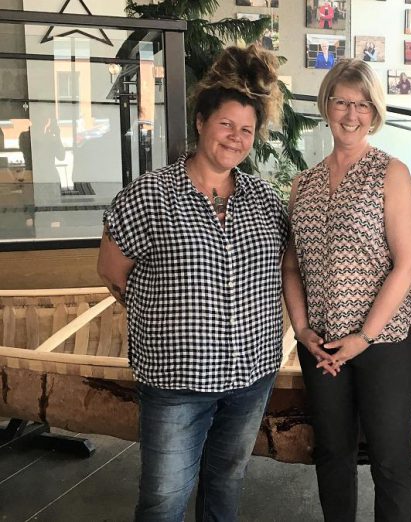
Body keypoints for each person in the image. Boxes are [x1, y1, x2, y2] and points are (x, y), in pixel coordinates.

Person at [97, 44, 287, 522]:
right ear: (201, 121)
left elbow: (284, 269)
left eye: (246, 130)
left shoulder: (265, 200)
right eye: (226, 124)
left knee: (225, 490)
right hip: (177, 382)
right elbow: (112, 271)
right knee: (163, 500)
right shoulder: (150, 195)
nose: (236, 138)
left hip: (250, 376)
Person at [282, 58, 411, 522]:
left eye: (362, 104)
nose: (350, 113)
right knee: (333, 455)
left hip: (383, 344)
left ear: (374, 112)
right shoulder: (302, 183)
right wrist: (302, 330)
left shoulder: (391, 173)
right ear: (326, 104)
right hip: (321, 346)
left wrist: (363, 337)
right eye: (342, 101)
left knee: (389, 459)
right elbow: (292, 266)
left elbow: (408, 263)